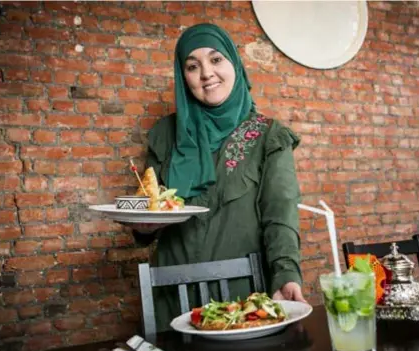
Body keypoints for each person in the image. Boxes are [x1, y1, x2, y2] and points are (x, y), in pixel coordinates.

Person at [126, 23, 305, 331]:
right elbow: (150, 206)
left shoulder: (268, 136)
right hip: (173, 297)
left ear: (234, 63)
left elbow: (281, 213)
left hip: (244, 298)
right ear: (183, 78)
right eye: (192, 66)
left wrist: (286, 273)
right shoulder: (165, 135)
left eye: (216, 59)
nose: (206, 73)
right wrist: (142, 225)